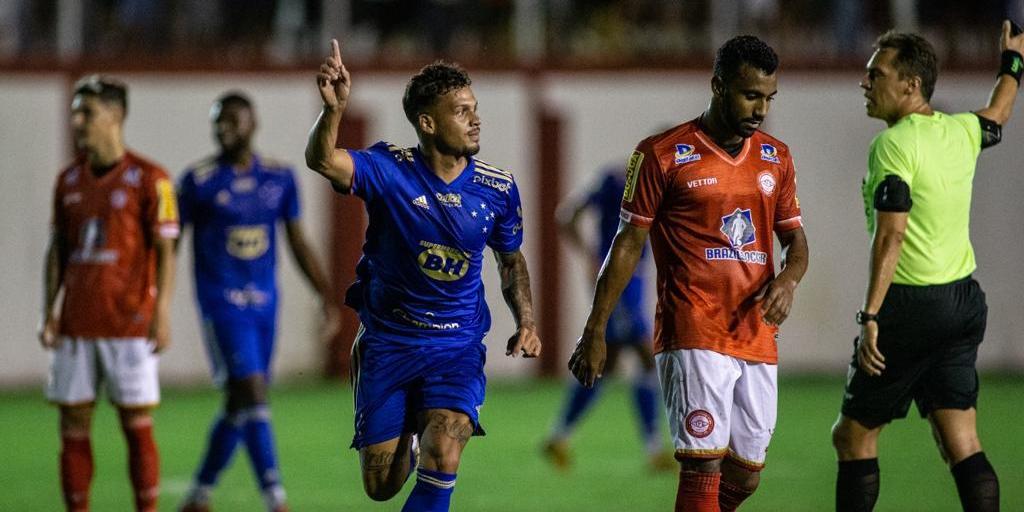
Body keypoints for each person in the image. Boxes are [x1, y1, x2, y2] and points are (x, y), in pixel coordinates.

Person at [569, 35, 809, 512]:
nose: (760, 109)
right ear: (717, 86)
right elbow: (627, 243)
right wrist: (595, 328)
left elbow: (796, 242)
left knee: (746, 473)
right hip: (693, 326)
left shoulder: (775, 158)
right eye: (750, 95)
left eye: (768, 98)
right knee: (702, 467)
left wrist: (788, 279)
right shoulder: (660, 154)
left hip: (756, 330)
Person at [304, 40, 542, 511]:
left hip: (456, 346)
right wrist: (333, 111)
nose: (475, 119)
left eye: (475, 108)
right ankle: (406, 436)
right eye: (461, 111)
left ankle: (427, 436)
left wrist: (527, 322)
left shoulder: (498, 187)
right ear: (428, 123)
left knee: (444, 452)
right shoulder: (389, 168)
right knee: (381, 486)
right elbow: (322, 160)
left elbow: (510, 260)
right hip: (390, 342)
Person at [830, 23, 1023, 512]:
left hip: (910, 306)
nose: (865, 83)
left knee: (852, 438)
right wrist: (1013, 62)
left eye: (877, 74)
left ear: (910, 85)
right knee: (961, 441)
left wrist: (870, 314)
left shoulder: (893, 144)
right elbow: (998, 113)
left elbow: (892, 233)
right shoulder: (960, 129)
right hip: (962, 303)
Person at [177, 92, 341, 512]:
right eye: (218, 122)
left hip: (265, 305)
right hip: (221, 304)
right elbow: (170, 244)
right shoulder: (198, 181)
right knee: (252, 392)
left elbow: (298, 240)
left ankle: (199, 493)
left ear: (253, 124)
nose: (223, 129)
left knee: (241, 401)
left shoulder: (279, 178)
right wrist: (150, 295)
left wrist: (325, 295)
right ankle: (275, 497)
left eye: (232, 121)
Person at [39, 75, 179, 512]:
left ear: (115, 116)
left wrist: (163, 311)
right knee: (73, 425)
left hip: (129, 322)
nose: (77, 121)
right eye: (76, 111)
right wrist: (49, 312)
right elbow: (57, 250)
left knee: (136, 425)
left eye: (88, 112)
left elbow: (166, 249)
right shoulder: (67, 181)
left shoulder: (153, 178)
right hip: (78, 323)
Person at [542, 165, 672, 472]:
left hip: (631, 279)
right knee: (644, 356)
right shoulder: (621, 181)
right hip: (619, 279)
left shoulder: (616, 179)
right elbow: (566, 215)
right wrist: (591, 257)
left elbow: (568, 213)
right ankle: (654, 449)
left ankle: (559, 436)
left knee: (608, 363)